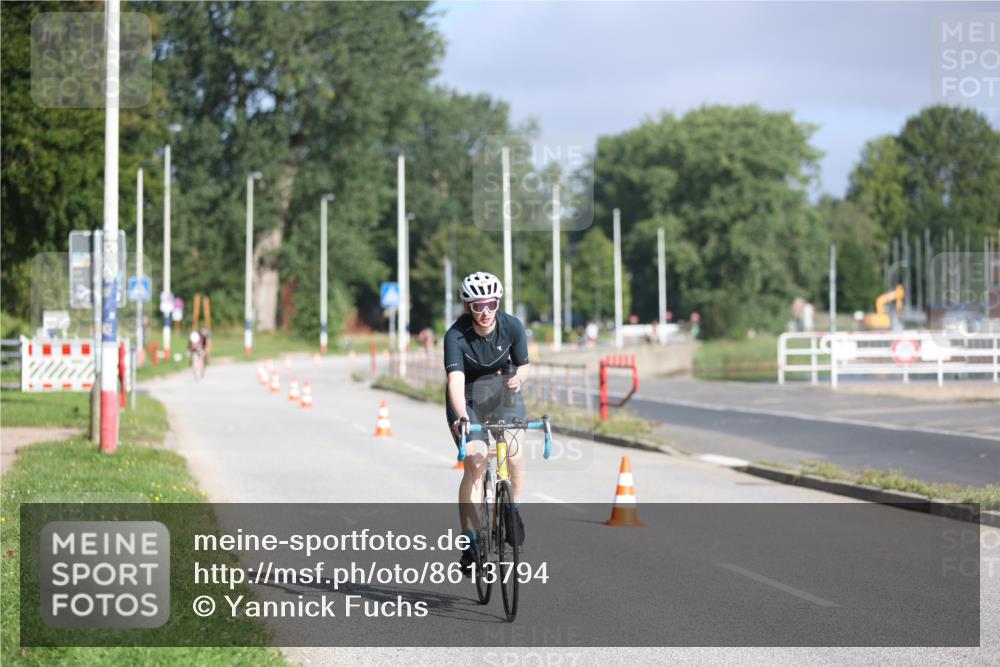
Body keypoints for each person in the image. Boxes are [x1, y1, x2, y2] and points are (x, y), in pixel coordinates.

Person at [444, 271, 531, 574]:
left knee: (515, 453)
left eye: (491, 304)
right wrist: (462, 417)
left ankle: (511, 508)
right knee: (476, 461)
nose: (485, 312)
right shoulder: (455, 336)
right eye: (478, 306)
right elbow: (455, 382)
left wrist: (519, 379)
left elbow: (523, 366)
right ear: (467, 306)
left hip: (503, 392)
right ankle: (470, 542)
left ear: (498, 303)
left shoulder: (512, 326)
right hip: (467, 399)